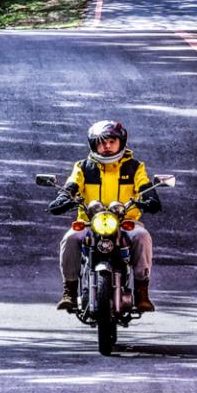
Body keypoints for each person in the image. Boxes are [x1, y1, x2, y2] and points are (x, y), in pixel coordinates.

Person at [47, 119, 161, 314]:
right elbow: (71, 185)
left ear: (121, 142)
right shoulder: (83, 167)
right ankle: (69, 291)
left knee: (142, 237)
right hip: (90, 222)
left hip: (126, 222)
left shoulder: (134, 167)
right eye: (101, 142)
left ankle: (142, 292)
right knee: (70, 239)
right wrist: (62, 198)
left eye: (111, 141)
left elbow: (145, 186)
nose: (107, 146)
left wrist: (151, 198)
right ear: (94, 145)